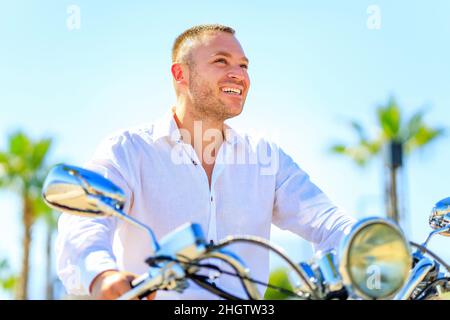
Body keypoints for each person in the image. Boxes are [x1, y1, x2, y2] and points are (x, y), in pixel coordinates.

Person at [56, 24, 356, 300]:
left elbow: (326, 221)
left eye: (244, 65)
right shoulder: (128, 150)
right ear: (180, 75)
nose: (239, 74)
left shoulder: (266, 157)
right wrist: (102, 274)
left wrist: (378, 249)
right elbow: (85, 220)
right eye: (221, 61)